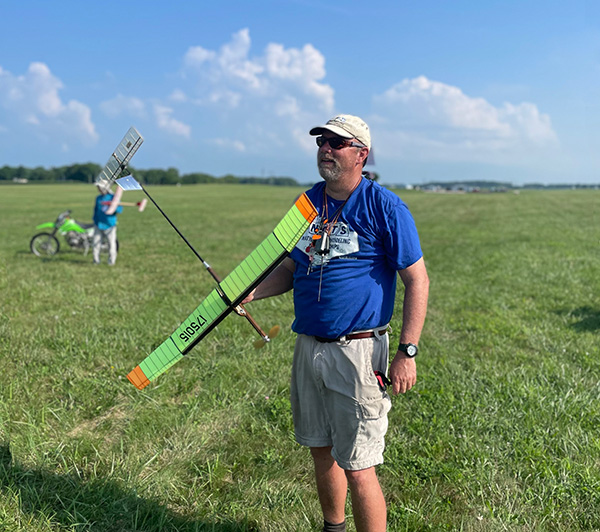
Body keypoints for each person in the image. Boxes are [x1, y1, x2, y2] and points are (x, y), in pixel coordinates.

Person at [243, 114, 429, 532]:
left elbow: (417, 279)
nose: (325, 148)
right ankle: (334, 528)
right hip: (309, 347)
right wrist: (251, 292)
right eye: (322, 141)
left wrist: (407, 351)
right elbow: (291, 268)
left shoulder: (385, 207)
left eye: (336, 143)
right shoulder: (305, 204)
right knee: (321, 450)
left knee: (360, 466)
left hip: (358, 351)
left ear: (361, 154)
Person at [92, 183, 122, 265]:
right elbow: (96, 210)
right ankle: (96, 260)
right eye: (98, 188)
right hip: (98, 224)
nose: (99, 190)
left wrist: (113, 206)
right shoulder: (98, 198)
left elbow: (119, 210)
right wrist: (94, 220)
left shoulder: (113, 198)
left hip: (109, 225)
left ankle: (111, 261)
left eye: (100, 188)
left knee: (111, 243)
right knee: (96, 243)